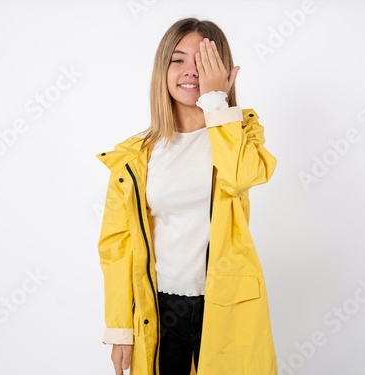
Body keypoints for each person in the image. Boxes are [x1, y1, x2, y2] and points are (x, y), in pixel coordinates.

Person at [96, 17, 278, 375]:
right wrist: (121, 329)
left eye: (204, 60)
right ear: (162, 69)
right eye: (178, 59)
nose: (190, 70)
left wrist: (215, 102)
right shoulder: (134, 156)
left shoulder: (239, 135)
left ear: (225, 73)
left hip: (225, 307)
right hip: (159, 310)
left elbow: (241, 175)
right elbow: (117, 246)